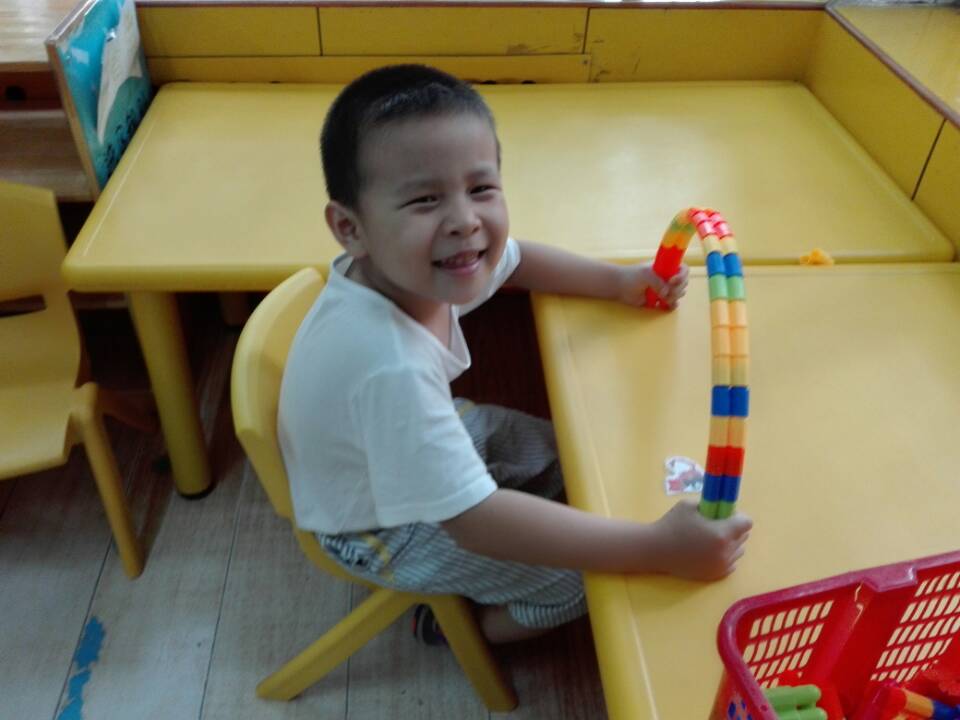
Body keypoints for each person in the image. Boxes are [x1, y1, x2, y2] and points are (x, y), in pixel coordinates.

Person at [278, 64, 752, 645]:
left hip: (398, 447)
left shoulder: (410, 268)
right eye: (425, 199)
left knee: (573, 452)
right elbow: (474, 521)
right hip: (381, 527)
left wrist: (619, 282)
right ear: (350, 228)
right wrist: (659, 549)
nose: (465, 221)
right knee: (587, 582)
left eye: (481, 189)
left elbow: (517, 259)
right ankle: (462, 630)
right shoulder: (389, 364)